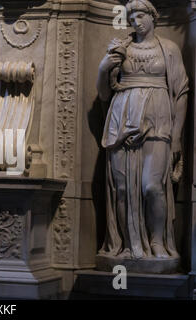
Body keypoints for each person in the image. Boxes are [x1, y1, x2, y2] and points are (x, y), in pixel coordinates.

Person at [96, 0, 188, 263]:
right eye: (132, 17)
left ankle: (157, 241)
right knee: (124, 189)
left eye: (141, 16)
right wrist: (105, 66)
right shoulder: (121, 48)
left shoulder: (168, 49)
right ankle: (129, 244)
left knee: (152, 186)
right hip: (121, 121)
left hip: (158, 123)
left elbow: (181, 92)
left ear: (153, 17)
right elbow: (104, 92)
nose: (136, 21)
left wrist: (177, 136)